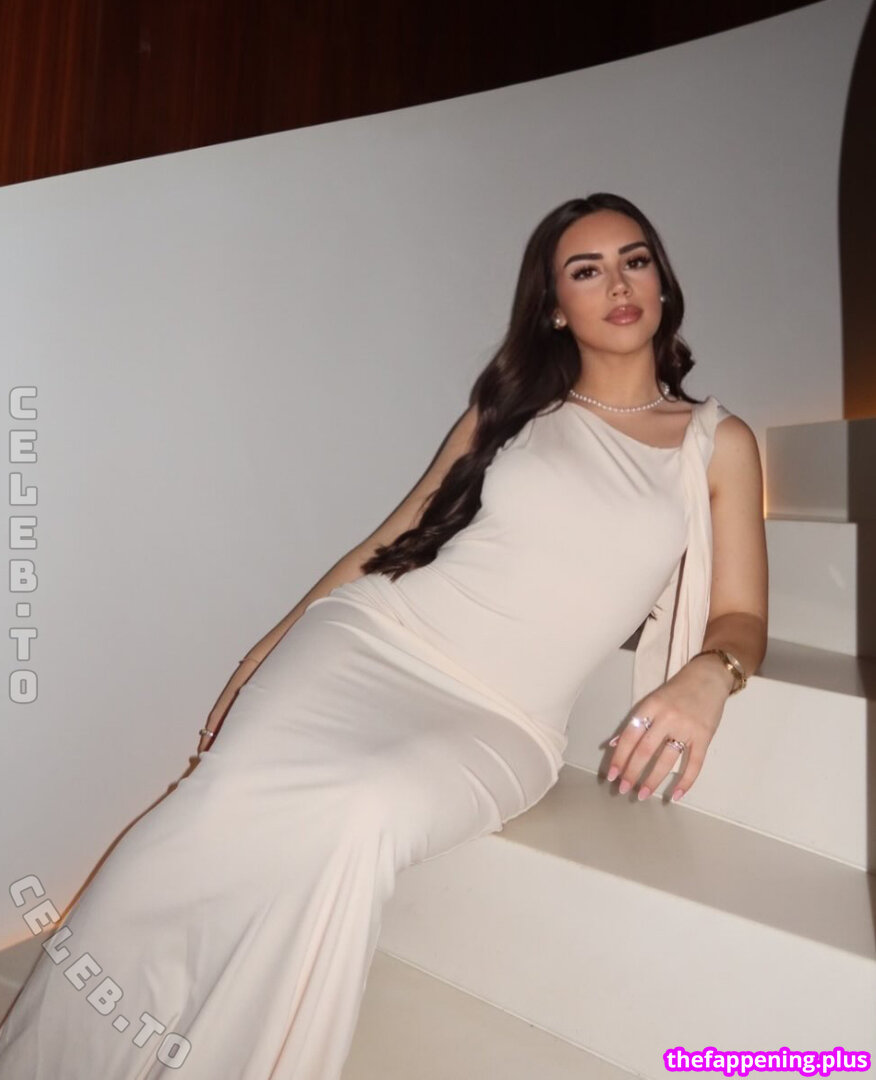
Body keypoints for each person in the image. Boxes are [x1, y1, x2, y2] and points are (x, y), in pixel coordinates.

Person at [0, 192, 768, 1078]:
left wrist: (713, 673)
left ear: (662, 281)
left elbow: (742, 614)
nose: (618, 285)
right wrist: (261, 654)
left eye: (634, 261)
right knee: (214, 806)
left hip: (504, 718)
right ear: (556, 306)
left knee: (360, 816)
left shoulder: (716, 442)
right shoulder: (513, 411)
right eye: (586, 271)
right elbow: (389, 540)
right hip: (374, 640)